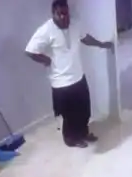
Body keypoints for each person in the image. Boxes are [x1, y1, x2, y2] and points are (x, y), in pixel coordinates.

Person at [25, 0, 113, 148]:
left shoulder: (75, 25)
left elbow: (85, 38)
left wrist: (101, 44)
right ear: (53, 14)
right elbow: (30, 51)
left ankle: (83, 133)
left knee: (84, 110)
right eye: (59, 14)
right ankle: (71, 139)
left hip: (78, 76)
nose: (63, 17)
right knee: (69, 115)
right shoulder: (46, 30)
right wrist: (45, 60)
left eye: (66, 13)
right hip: (61, 82)